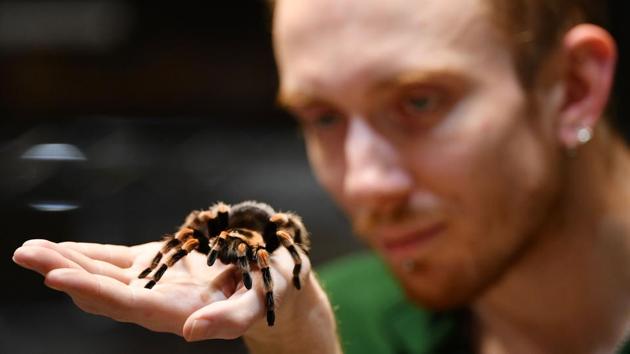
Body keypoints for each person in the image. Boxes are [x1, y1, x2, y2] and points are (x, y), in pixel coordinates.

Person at [12, 0, 630, 352]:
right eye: (323, 116)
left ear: (572, 89)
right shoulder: (349, 316)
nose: (361, 183)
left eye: (420, 103)